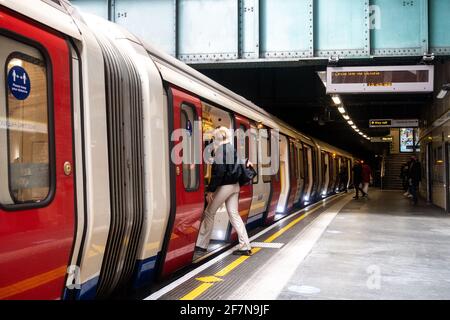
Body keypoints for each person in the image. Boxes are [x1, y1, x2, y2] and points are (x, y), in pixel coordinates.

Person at [196, 126, 253, 256]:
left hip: (225, 186)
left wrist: (211, 190)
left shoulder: (221, 150)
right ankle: (245, 246)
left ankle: (201, 245)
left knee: (209, 212)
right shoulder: (232, 148)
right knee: (234, 215)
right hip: (235, 186)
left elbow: (219, 172)